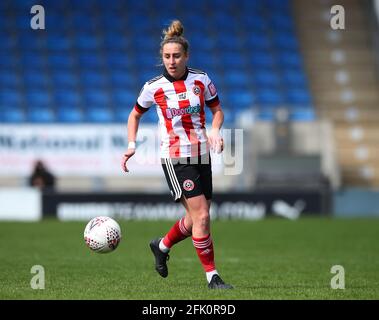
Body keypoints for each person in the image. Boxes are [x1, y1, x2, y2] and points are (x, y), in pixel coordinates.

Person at [122, 20, 232, 289]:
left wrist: (215, 130)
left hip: (201, 155)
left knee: (197, 218)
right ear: (162, 58)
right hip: (175, 158)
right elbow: (134, 115)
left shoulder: (201, 80)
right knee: (203, 217)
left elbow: (217, 110)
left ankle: (161, 246)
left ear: (186, 56)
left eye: (176, 56)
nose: (171, 61)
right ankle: (212, 277)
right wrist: (131, 145)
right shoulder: (153, 87)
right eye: (166, 56)